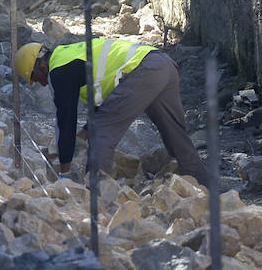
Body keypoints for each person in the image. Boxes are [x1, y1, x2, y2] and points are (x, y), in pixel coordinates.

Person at [13, 36, 212, 186]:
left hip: (142, 71)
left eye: (36, 79)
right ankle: (207, 190)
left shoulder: (59, 70)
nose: (41, 83)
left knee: (101, 131)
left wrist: (64, 174)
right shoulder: (72, 55)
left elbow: (66, 120)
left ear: (40, 66)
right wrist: (81, 139)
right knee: (176, 137)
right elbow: (105, 105)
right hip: (162, 63)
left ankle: (96, 197)